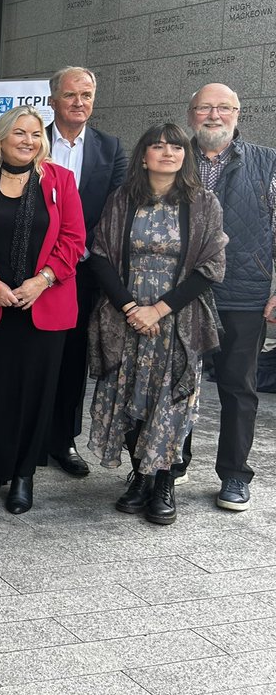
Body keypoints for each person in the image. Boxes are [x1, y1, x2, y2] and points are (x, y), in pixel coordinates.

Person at [86, 124, 227, 525]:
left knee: (171, 399)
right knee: (128, 393)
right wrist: (131, 307)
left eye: (176, 147)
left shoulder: (204, 203)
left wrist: (158, 310)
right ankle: (139, 478)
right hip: (126, 314)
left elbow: (210, 268)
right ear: (143, 155)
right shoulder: (122, 200)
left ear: (186, 155)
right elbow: (99, 256)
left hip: (177, 318)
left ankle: (163, 480)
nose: (167, 152)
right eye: (157, 146)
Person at [0, 105, 84, 514]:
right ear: (1, 138)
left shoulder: (60, 180)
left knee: (34, 390)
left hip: (43, 303)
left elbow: (74, 240)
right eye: (19, 133)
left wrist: (40, 280)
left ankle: (23, 473)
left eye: (35, 134)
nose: (29, 141)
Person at [179, 83, 276, 511]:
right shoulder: (173, 155)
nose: (213, 115)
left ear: (238, 113)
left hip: (244, 293)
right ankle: (170, 466)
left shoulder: (267, 162)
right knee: (179, 382)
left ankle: (235, 476)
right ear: (191, 114)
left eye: (223, 108)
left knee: (239, 388)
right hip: (182, 294)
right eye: (204, 108)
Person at [44, 67, 127, 478]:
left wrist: (75, 250)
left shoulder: (110, 148)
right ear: (53, 99)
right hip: (30, 272)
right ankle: (28, 435)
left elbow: (115, 211)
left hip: (82, 271)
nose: (80, 102)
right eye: (71, 94)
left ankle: (63, 439)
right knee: (30, 357)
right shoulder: (28, 138)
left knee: (73, 359)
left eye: (87, 95)